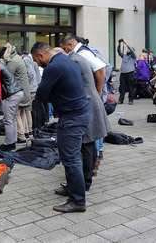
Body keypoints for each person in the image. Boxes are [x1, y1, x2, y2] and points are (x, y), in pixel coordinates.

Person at [31, 42, 89, 213]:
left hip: (72, 117)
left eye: (36, 60)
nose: (37, 64)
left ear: (41, 55)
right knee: (72, 156)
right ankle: (73, 189)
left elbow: (41, 94)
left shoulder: (53, 67)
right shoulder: (67, 60)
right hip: (77, 113)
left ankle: (77, 200)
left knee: (71, 158)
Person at [53, 48, 110, 196]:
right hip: (87, 103)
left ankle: (82, 184)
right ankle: (81, 182)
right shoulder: (76, 59)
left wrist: (98, 91)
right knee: (87, 145)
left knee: (86, 145)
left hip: (86, 105)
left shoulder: (75, 60)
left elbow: (102, 68)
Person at [0, 43, 32, 146]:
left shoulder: (12, 61)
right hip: (24, 90)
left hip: (16, 90)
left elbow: (7, 74)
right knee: (23, 113)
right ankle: (27, 132)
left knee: (15, 116)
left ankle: (21, 136)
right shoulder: (17, 58)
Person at [0, 58, 24, 152]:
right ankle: (13, 141)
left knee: (8, 119)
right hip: (17, 92)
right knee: (12, 119)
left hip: (11, 94)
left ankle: (9, 143)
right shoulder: (3, 65)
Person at [117, 39, 137, 104]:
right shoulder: (124, 56)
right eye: (127, 49)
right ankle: (120, 100)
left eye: (128, 49)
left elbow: (131, 50)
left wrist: (126, 44)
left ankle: (131, 100)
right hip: (123, 74)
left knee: (131, 88)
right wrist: (119, 44)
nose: (127, 50)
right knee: (122, 87)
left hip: (130, 73)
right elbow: (119, 52)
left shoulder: (133, 56)